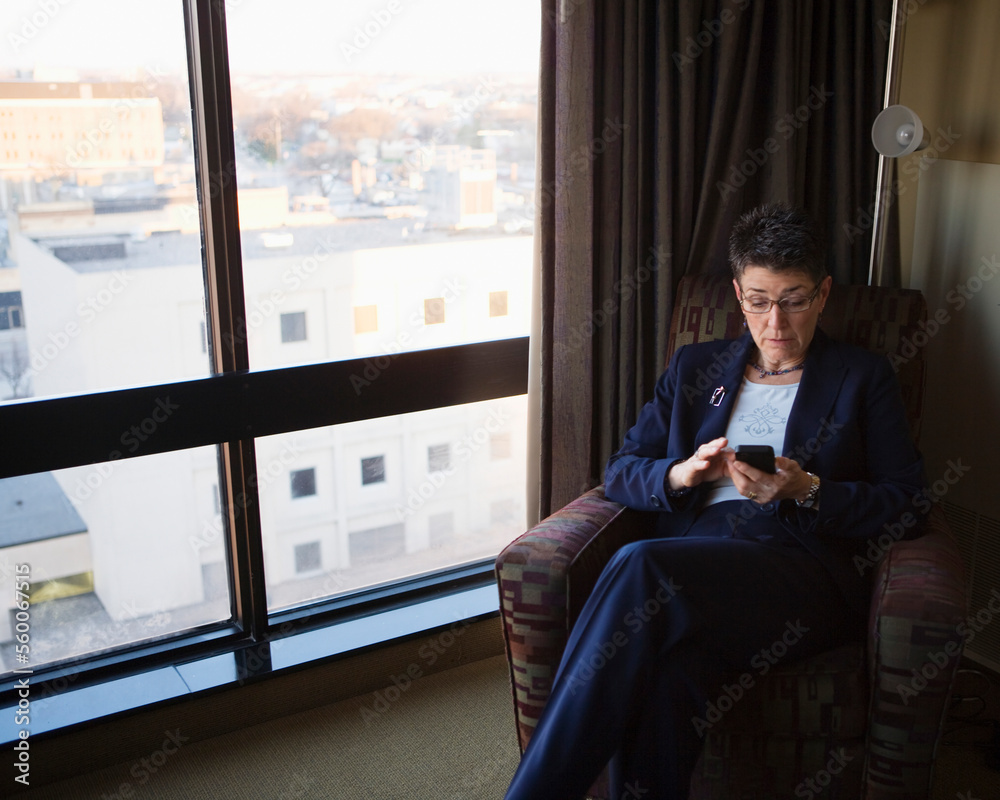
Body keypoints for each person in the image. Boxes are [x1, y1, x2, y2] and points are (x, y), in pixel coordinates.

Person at [504, 204, 927, 799]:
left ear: (823, 294)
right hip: (694, 562)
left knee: (640, 565)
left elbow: (909, 504)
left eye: (794, 300)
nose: (775, 322)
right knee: (670, 672)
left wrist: (807, 490)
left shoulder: (863, 376)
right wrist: (680, 474)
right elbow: (621, 471)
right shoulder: (696, 367)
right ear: (737, 295)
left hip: (797, 573)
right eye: (758, 301)